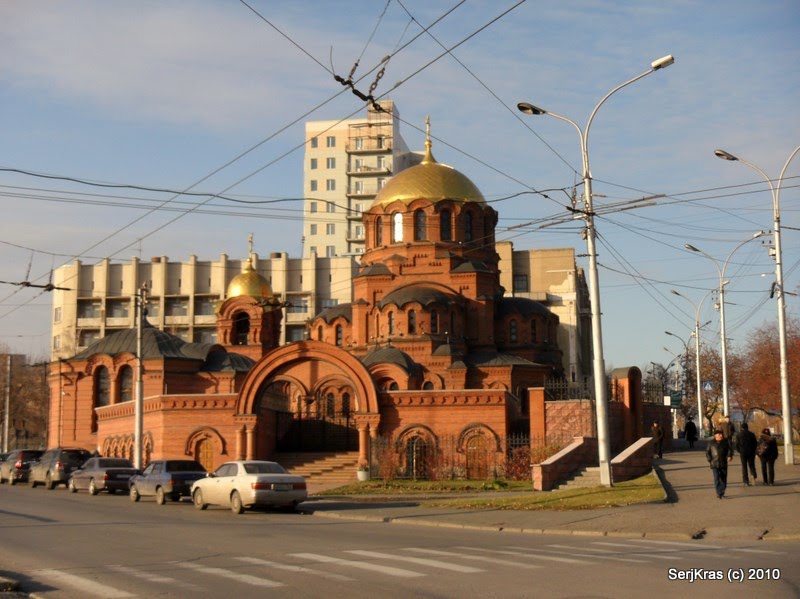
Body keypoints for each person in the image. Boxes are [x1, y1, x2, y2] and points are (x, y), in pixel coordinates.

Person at [706, 429, 733, 498]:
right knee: (716, 478)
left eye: (721, 434)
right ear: (715, 435)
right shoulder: (711, 443)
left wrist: (729, 456)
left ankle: (722, 492)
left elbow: (730, 450)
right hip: (714, 463)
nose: (721, 436)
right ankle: (718, 492)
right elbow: (707, 453)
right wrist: (710, 460)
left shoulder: (725, 442)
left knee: (723, 478)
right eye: (719, 434)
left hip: (723, 463)